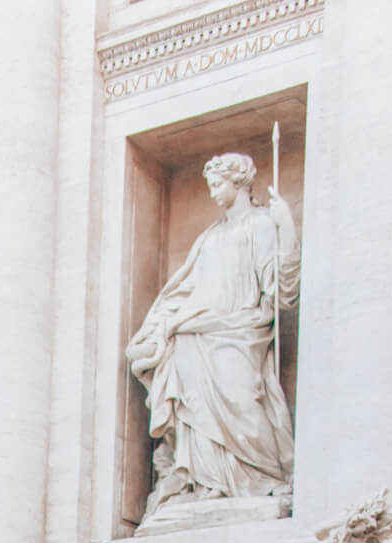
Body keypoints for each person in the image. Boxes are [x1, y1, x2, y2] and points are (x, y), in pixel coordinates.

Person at [126, 151, 300, 518]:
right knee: (195, 408)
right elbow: (183, 290)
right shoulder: (210, 236)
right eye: (209, 185)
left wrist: (287, 231)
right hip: (195, 332)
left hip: (240, 330)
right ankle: (207, 483)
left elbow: (281, 290)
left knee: (243, 400)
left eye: (218, 184)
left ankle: (262, 477)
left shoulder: (262, 225)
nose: (212, 193)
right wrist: (158, 328)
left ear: (239, 183)